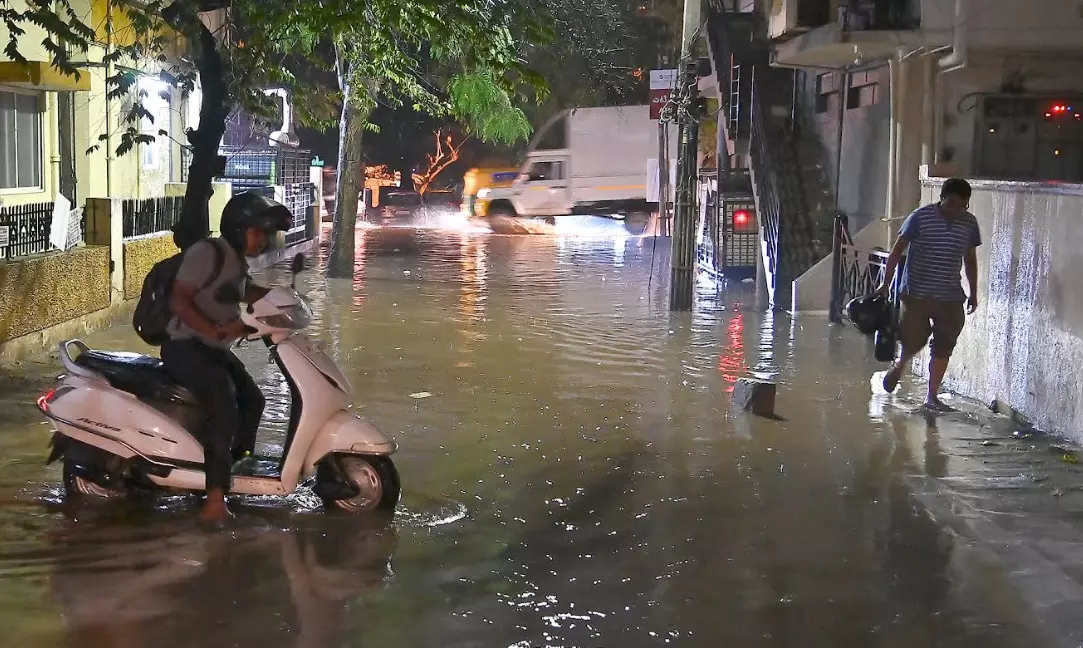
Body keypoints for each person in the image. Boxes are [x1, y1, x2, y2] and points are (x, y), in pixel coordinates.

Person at [162, 192, 291, 524]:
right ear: (237, 229)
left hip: (211, 349)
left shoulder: (235, 261)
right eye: (257, 232)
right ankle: (214, 499)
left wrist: (288, 301)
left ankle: (238, 463)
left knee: (255, 399)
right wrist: (214, 329)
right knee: (224, 407)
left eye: (265, 233)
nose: (262, 240)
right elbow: (179, 301)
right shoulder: (207, 253)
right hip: (186, 347)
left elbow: (248, 293)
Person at [877, 177, 980, 411]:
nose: (954, 210)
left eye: (960, 205)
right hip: (916, 293)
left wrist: (973, 293)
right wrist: (886, 283)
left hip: (950, 294)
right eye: (950, 203)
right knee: (916, 340)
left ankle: (931, 396)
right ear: (941, 199)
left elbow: (970, 259)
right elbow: (897, 250)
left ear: (966, 203)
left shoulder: (969, 224)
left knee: (944, 344)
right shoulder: (920, 218)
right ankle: (901, 365)